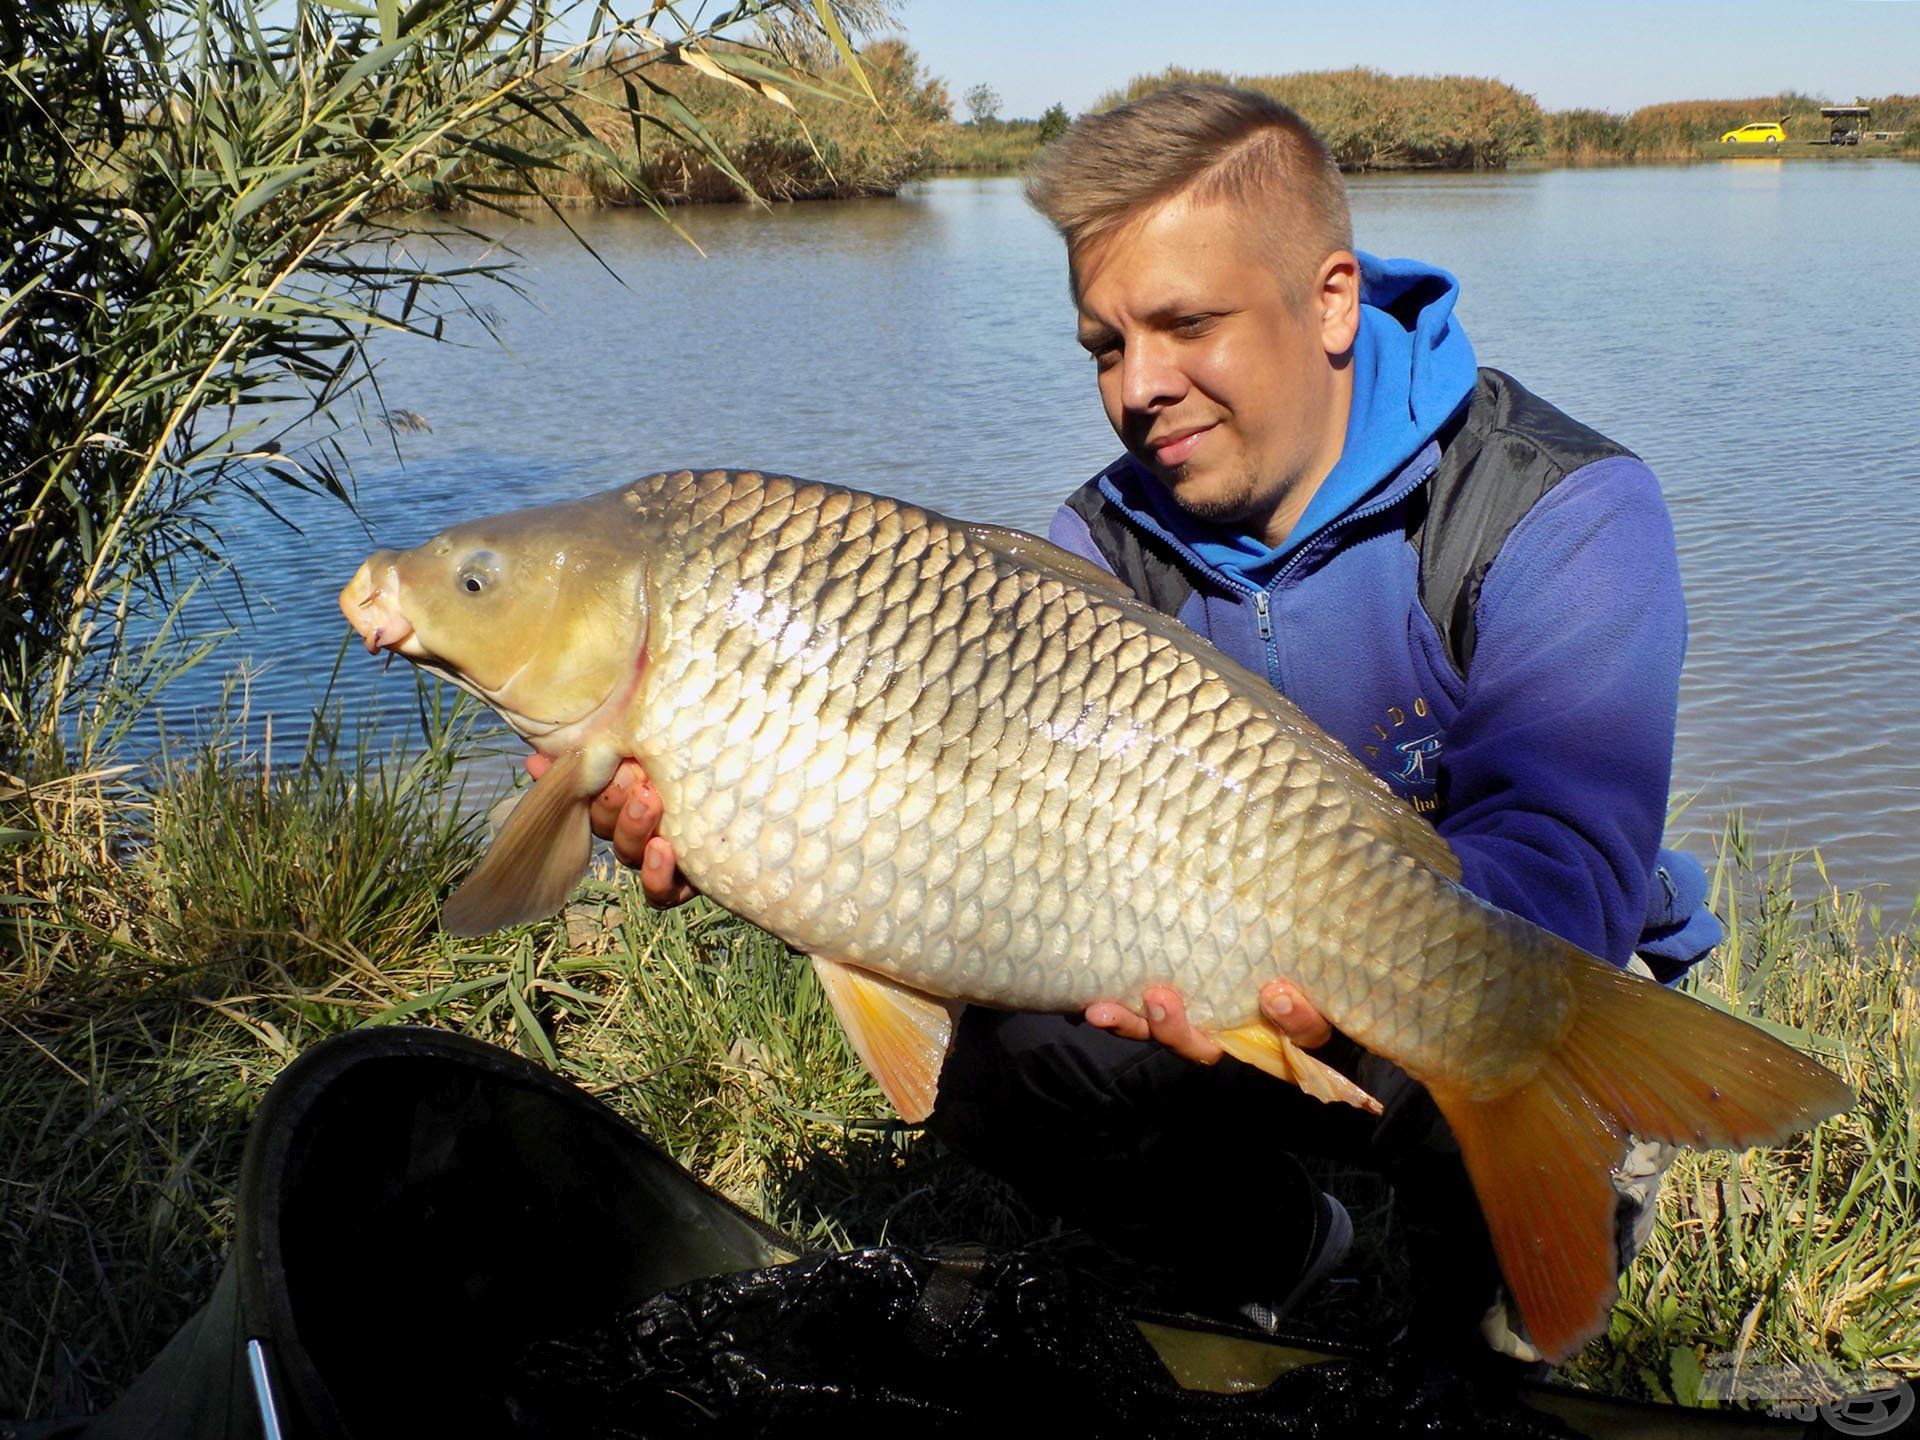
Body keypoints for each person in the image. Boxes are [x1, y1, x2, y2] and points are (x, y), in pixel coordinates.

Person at [547, 83, 1721, 1361]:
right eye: (1106, 346)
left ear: (1331, 298)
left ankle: (1579, 1162)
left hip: (1511, 955)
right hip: (1208, 968)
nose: (1138, 389)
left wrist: (1329, 944)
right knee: (1006, 1057)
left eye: (1184, 325)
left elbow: (1569, 874)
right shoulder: (1089, 550)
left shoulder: (1556, 508)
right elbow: (957, 853)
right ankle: (1278, 1247)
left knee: (1488, 1327)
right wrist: (765, 826)